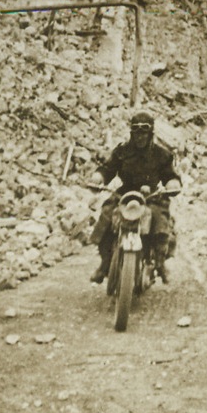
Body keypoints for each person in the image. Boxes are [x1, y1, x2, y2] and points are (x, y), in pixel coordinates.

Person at [88, 111, 180, 285]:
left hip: (151, 196)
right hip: (124, 194)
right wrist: (98, 177)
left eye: (144, 133)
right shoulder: (122, 151)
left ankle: (159, 263)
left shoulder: (162, 154)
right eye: (137, 133)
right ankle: (104, 264)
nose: (140, 138)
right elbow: (108, 169)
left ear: (151, 133)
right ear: (132, 133)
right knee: (107, 215)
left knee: (160, 221)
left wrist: (173, 184)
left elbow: (170, 175)